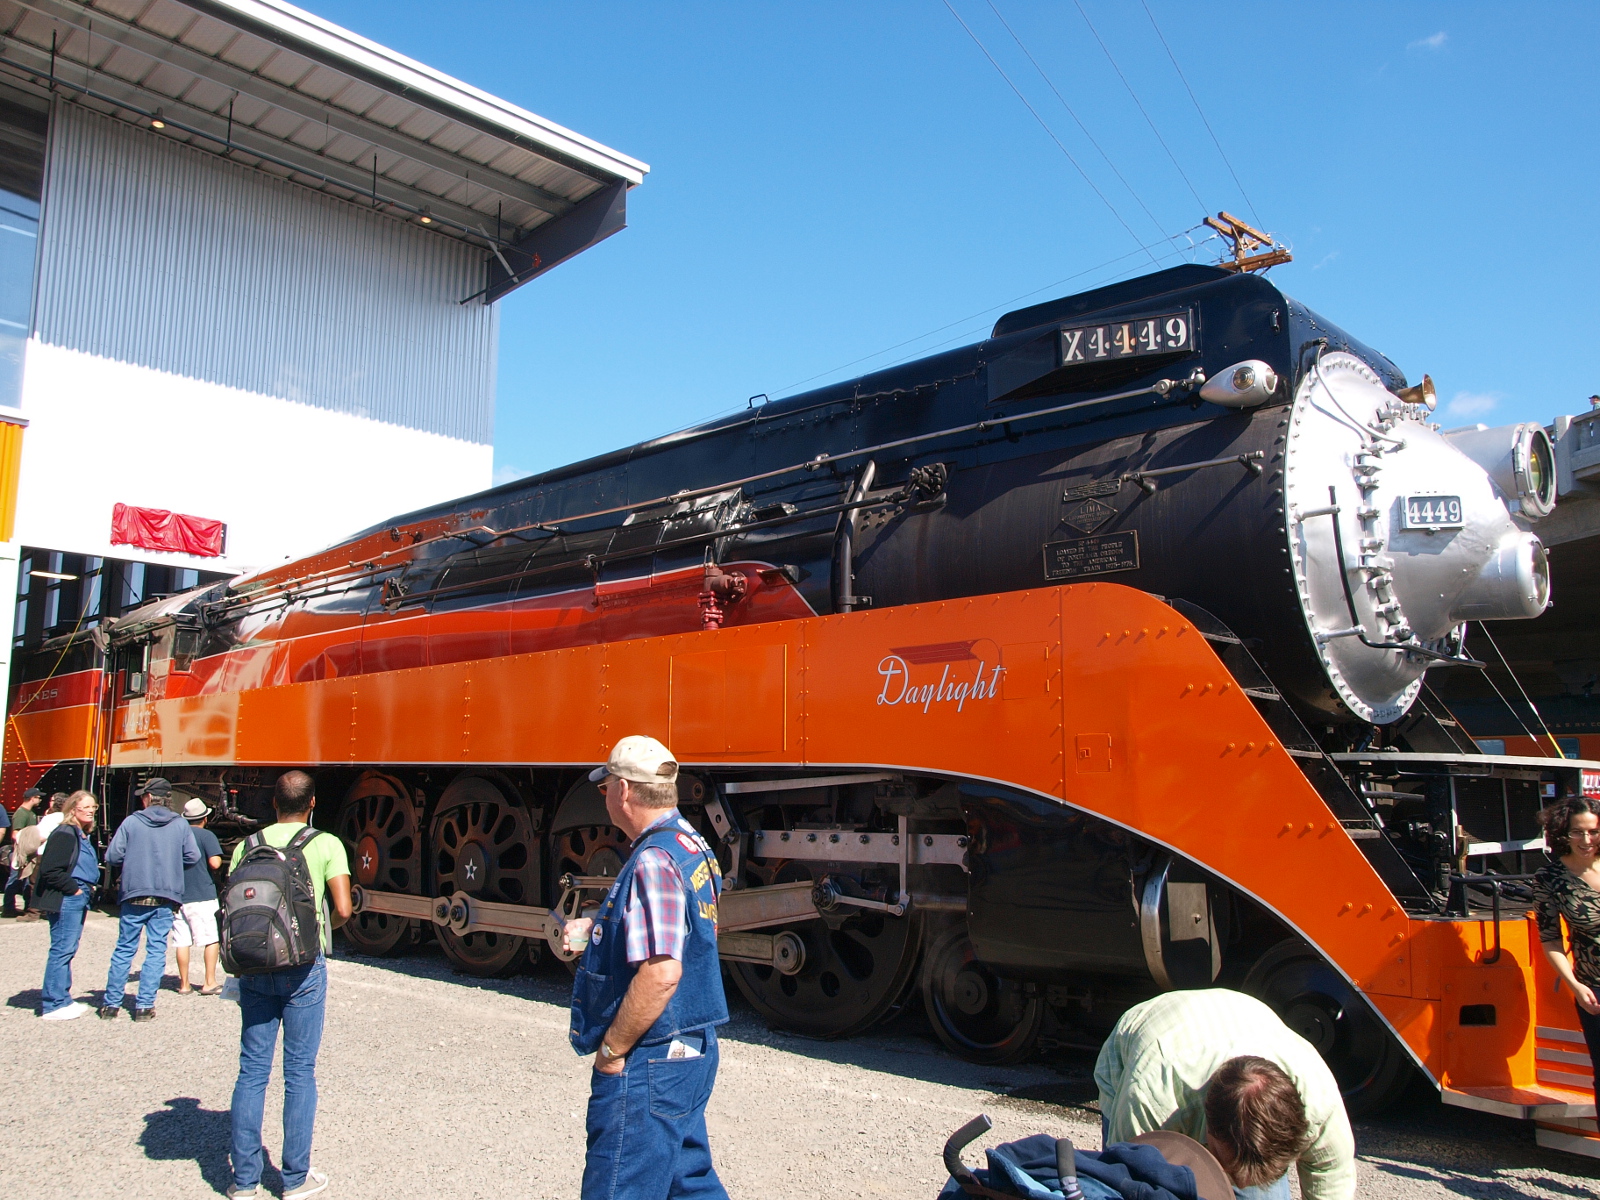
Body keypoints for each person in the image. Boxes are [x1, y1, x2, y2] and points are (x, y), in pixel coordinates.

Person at [562, 735, 730, 1200]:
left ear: (623, 791)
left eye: (606, 787)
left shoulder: (652, 860)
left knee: (619, 1187)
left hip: (650, 1057)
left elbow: (662, 972)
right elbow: (688, 927)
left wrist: (613, 1051)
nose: (606, 797)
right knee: (688, 1182)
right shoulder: (692, 844)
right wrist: (602, 926)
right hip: (691, 1047)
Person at [1094, 989, 1354, 1200]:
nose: (1233, 1180)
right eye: (1225, 1162)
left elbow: (1331, 1177)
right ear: (1210, 1128)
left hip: (1238, 1020)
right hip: (1145, 1036)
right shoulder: (1153, 1095)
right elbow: (1131, 1181)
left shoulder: (1318, 1101)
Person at [226, 770, 351, 1200]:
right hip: (302, 968)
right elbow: (344, 908)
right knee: (299, 1072)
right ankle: (295, 1179)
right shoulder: (326, 844)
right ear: (312, 803)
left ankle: (243, 1181)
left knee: (252, 1070)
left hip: (256, 966)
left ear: (274, 804)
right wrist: (320, 931)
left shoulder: (247, 845)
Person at [100, 778, 200, 1020]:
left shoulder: (131, 822)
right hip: (165, 896)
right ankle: (144, 1006)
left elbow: (112, 855)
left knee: (124, 948)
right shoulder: (180, 825)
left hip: (134, 894)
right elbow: (193, 856)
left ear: (147, 798)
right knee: (156, 950)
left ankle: (111, 1005)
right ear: (168, 799)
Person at [1532, 793, 1600, 1085]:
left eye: (1594, 831)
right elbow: (1550, 939)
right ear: (1563, 833)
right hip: (1594, 988)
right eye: (1577, 832)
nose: (1586, 840)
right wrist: (1574, 985)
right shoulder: (1550, 877)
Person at [34, 791, 100, 1020]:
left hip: (75, 896)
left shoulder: (78, 833)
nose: (91, 811)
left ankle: (62, 998)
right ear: (73, 809)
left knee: (67, 948)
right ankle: (53, 1004)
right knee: (62, 948)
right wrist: (74, 889)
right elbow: (50, 869)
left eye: (94, 807)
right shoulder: (65, 833)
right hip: (68, 897)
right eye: (86, 807)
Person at [173, 796, 225, 995]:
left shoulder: (177, 835)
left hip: (179, 895)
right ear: (205, 818)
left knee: (182, 941)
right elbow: (214, 863)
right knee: (211, 939)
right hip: (202, 894)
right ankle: (209, 981)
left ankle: (184, 984)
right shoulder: (206, 836)